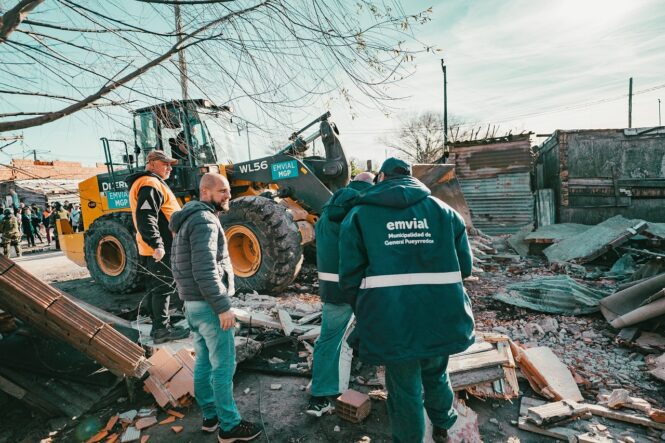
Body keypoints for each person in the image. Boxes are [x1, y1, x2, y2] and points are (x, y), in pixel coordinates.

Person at [338, 158, 475, 443]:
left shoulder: (361, 215)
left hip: (391, 317)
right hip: (440, 313)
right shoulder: (445, 212)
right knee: (437, 373)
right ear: (412, 177)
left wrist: (366, 309)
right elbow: (465, 268)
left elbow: (349, 277)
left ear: (382, 177)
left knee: (404, 387)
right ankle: (442, 426)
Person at [170, 173, 262, 442]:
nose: (228, 196)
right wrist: (223, 307)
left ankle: (210, 417)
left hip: (193, 304)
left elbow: (181, 267)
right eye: (222, 191)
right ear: (205, 192)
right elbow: (205, 269)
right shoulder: (205, 221)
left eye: (228, 191)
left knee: (204, 363)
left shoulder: (186, 219)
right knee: (222, 366)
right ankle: (230, 426)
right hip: (210, 307)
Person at [306, 172, 375, 417]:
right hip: (360, 288)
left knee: (329, 339)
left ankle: (320, 396)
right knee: (382, 332)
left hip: (331, 288)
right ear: (370, 185)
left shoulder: (326, 213)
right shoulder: (364, 209)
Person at [126, 150, 189, 344]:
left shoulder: (150, 182)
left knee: (159, 287)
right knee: (163, 287)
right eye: (165, 164)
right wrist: (157, 244)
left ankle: (159, 326)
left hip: (158, 245)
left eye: (170, 164)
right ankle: (161, 330)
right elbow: (147, 217)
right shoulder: (150, 183)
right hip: (161, 246)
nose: (170, 167)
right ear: (152, 163)